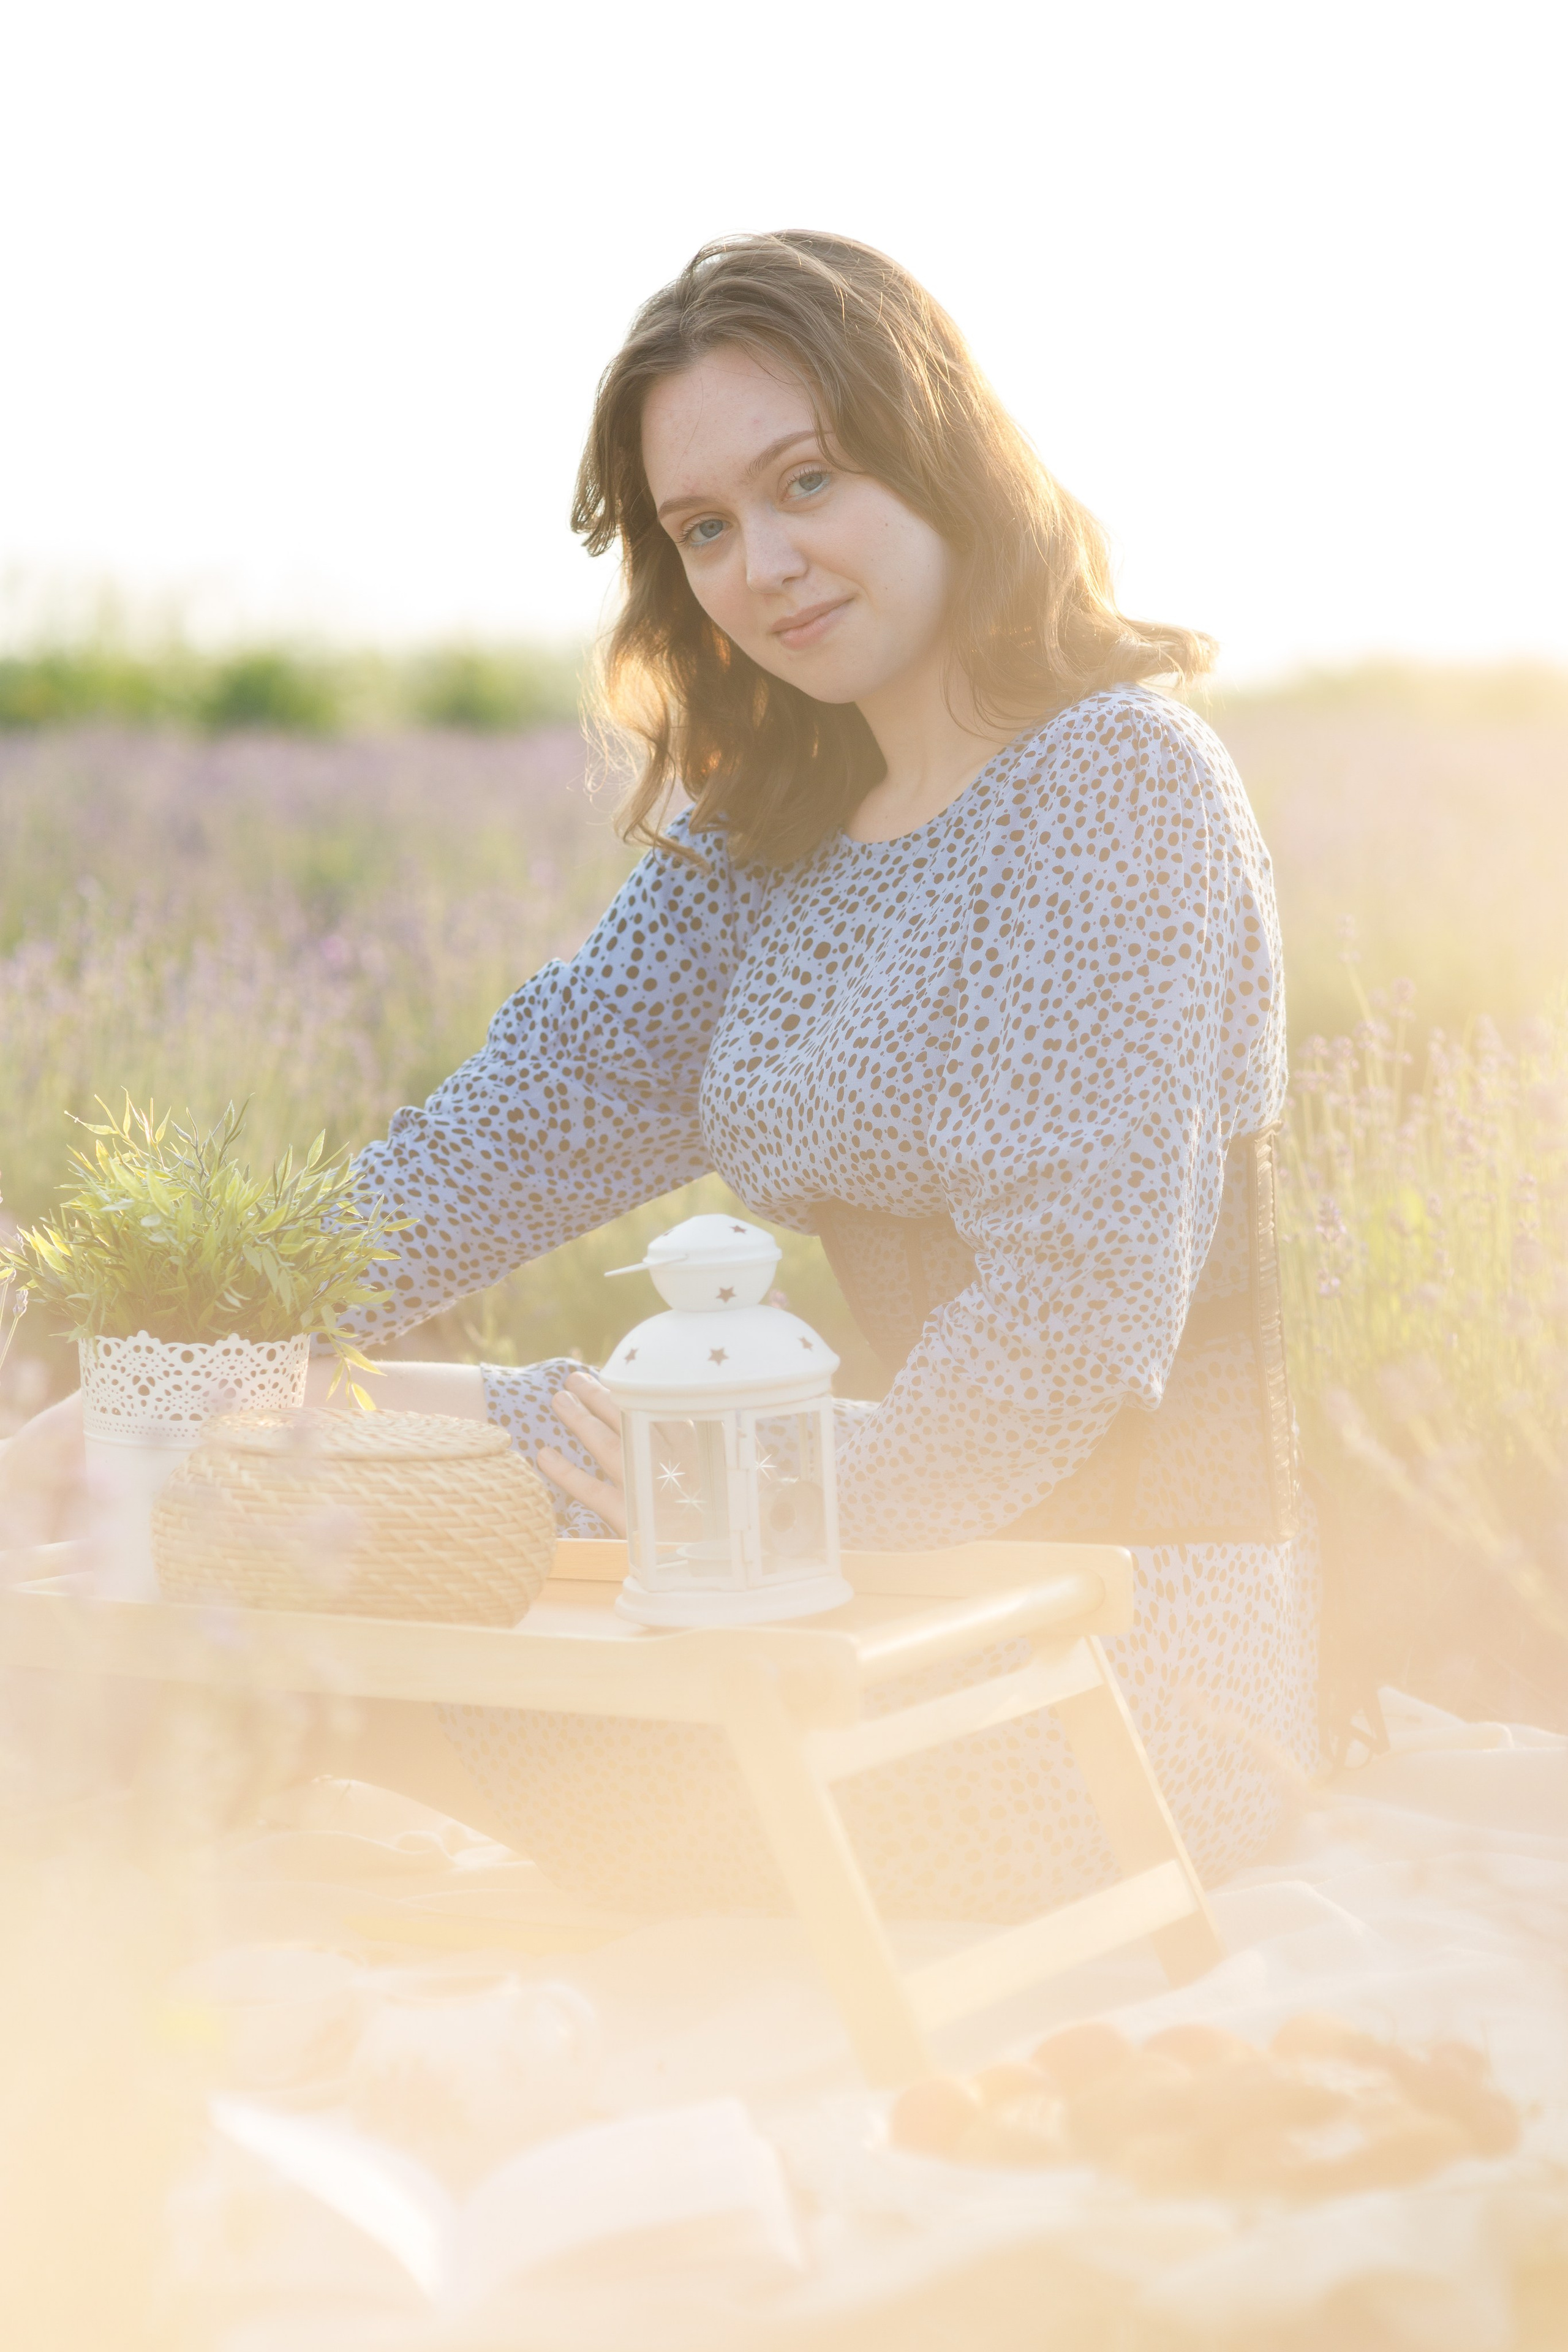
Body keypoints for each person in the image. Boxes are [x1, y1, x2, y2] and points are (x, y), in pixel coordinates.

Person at [2, 232, 1317, 1917]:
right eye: (704, 529)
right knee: (258, 1448)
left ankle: (198, 1807)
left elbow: (1073, 1330)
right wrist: (192, 1358)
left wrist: (764, 1499)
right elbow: (513, 1122)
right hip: (842, 1539)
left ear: (944, 453)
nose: (764, 561)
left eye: (809, 481)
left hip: (1110, 1655)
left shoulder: (1120, 786)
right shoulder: (768, 828)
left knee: (349, 1547)